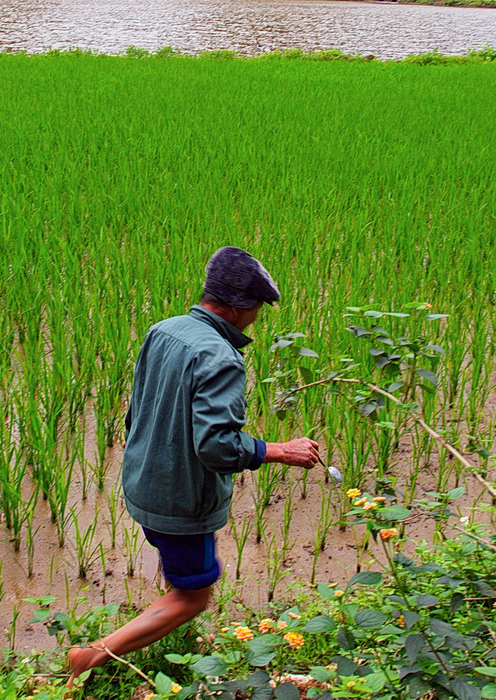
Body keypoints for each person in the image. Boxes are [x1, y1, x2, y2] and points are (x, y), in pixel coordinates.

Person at [66, 246, 321, 679]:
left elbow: (136, 411)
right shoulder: (221, 358)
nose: (258, 316)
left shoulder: (163, 330)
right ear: (241, 307)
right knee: (193, 597)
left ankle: (170, 626)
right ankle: (91, 656)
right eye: (258, 307)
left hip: (142, 481)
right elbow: (217, 447)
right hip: (179, 502)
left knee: (179, 572)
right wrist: (278, 450)